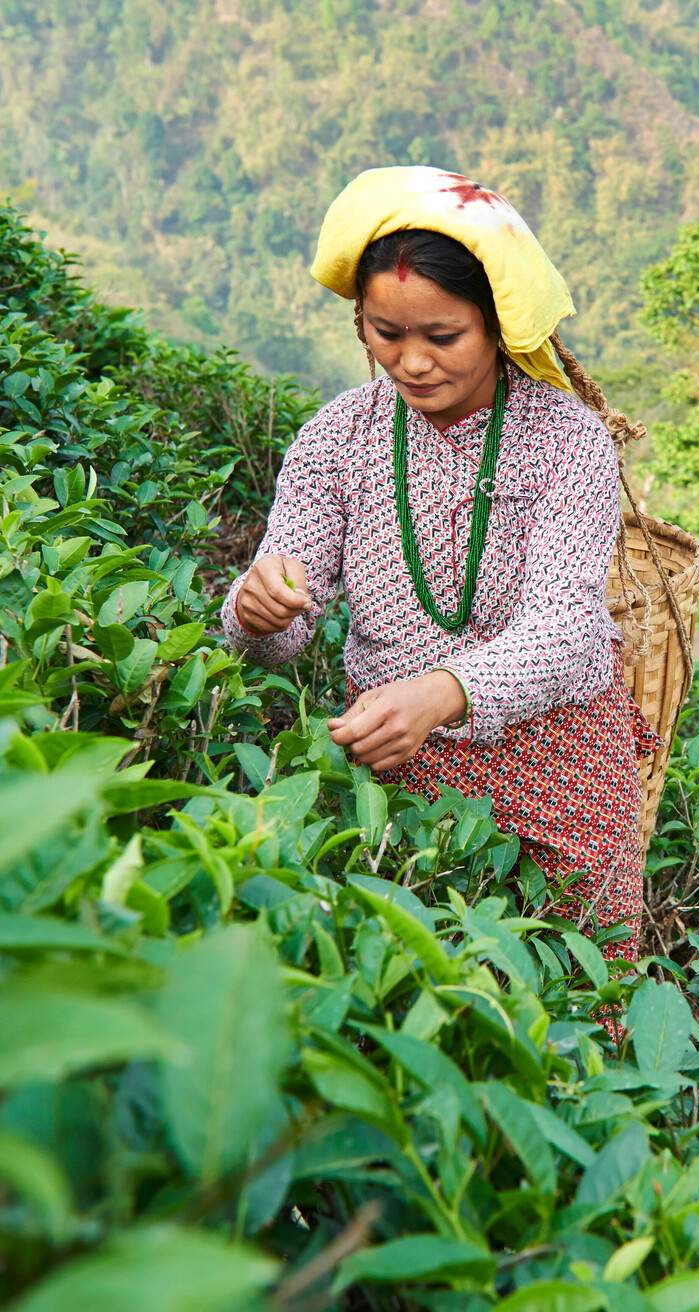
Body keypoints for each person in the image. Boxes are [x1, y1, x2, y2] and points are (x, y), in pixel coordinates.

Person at [222, 165, 659, 969]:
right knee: (408, 978)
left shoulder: (568, 442)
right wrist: (257, 614)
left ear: (498, 328)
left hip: (558, 758)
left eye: (442, 337)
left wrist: (447, 691)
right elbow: (280, 627)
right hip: (396, 756)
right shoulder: (336, 441)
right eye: (387, 334)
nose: (412, 362)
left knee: (581, 983)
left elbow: (566, 632)